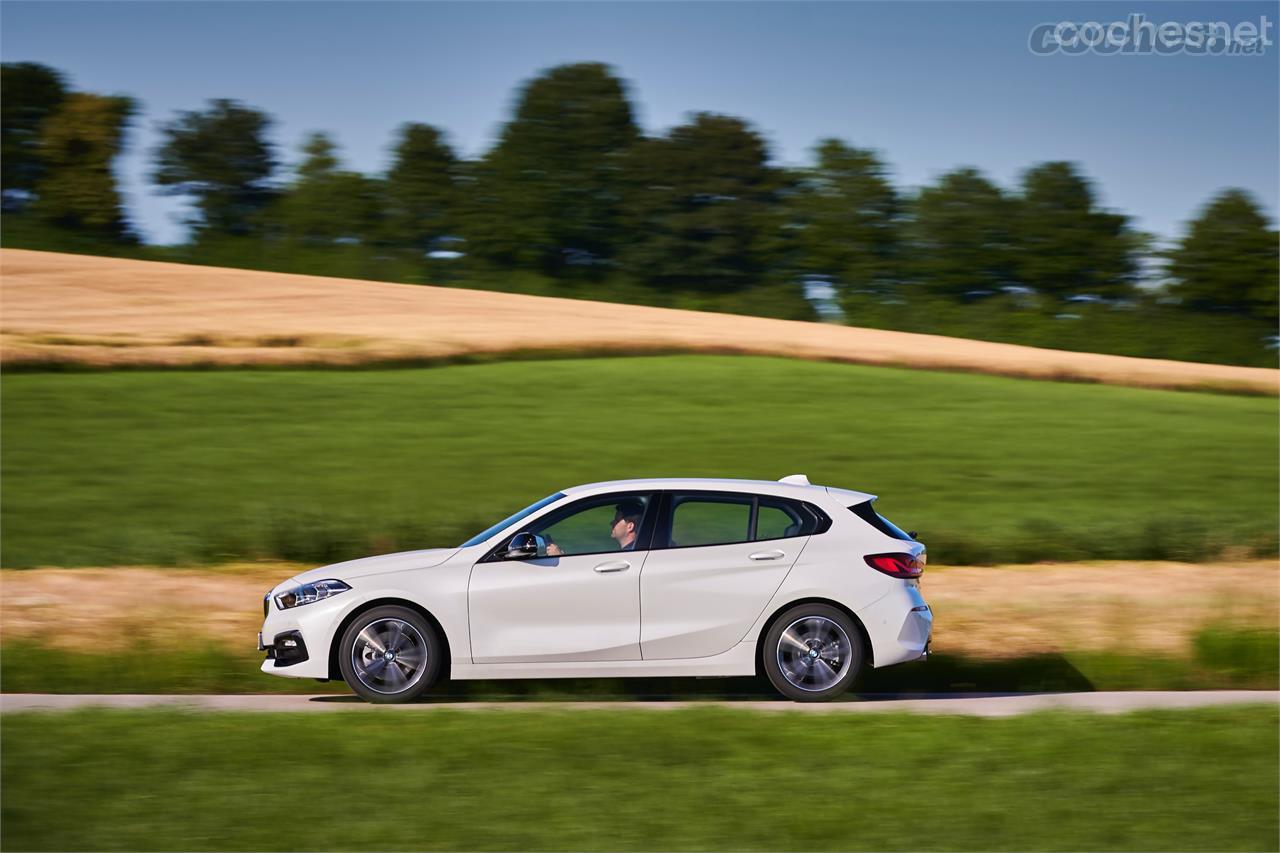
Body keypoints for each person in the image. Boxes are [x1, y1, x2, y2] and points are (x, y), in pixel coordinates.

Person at [544, 499, 645, 556]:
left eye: (617, 520)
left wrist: (560, 558)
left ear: (630, 526)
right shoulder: (632, 552)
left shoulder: (630, 556)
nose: (612, 523)